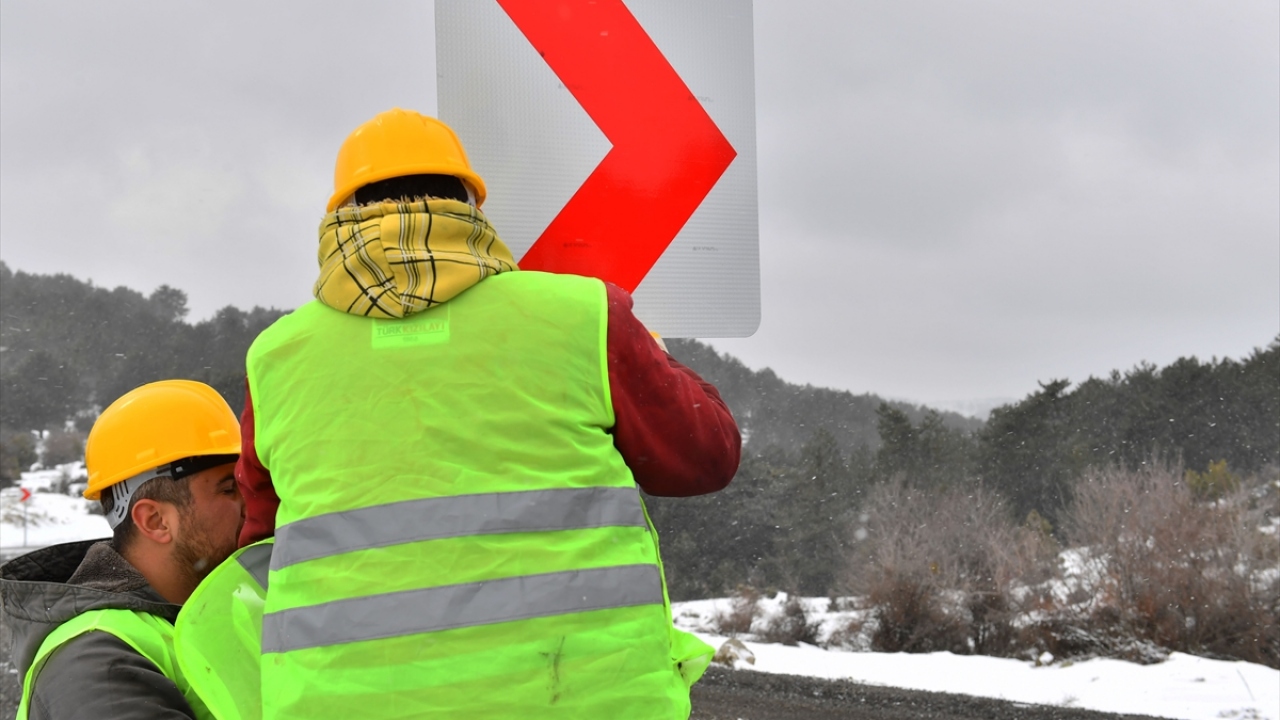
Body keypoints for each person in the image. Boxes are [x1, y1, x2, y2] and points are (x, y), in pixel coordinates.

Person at [233, 108, 741, 719]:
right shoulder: (582, 316)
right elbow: (705, 458)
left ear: (341, 216)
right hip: (578, 702)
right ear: (469, 206)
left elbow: (258, 540)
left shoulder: (276, 358)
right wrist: (647, 351)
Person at [1, 380, 244, 720]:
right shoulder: (96, 665)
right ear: (155, 521)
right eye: (229, 489)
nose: (249, 504)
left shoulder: (220, 611)